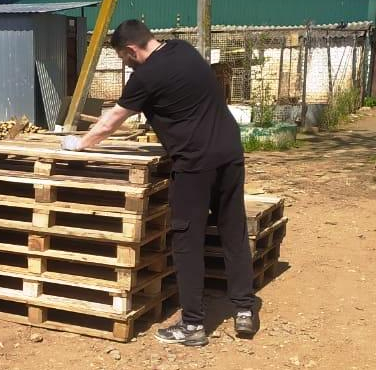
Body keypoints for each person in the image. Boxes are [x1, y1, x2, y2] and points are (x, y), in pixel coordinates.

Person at [61, 19, 256, 346]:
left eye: (124, 58)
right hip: (229, 152)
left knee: (187, 240)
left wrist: (79, 144)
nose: (126, 64)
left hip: (195, 163)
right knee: (233, 230)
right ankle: (244, 310)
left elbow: (112, 120)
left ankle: (193, 325)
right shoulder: (184, 50)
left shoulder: (146, 76)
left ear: (131, 50)